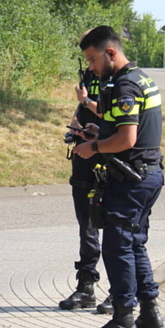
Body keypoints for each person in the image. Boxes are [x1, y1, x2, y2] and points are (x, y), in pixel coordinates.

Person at [71, 26, 165, 328]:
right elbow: (123, 134)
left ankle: (124, 319)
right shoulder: (139, 79)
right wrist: (97, 135)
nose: (91, 68)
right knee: (135, 243)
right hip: (145, 172)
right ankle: (150, 314)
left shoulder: (125, 86)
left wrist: (92, 148)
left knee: (117, 246)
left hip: (132, 177)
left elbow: (127, 138)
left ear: (111, 53)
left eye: (93, 59)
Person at [58, 64, 114, 314]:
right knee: (86, 225)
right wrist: (74, 127)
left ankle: (119, 292)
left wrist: (87, 102)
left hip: (109, 157)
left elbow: (113, 116)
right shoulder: (90, 76)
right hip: (83, 158)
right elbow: (81, 109)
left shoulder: (120, 80)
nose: (89, 63)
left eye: (92, 57)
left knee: (115, 229)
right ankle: (86, 286)